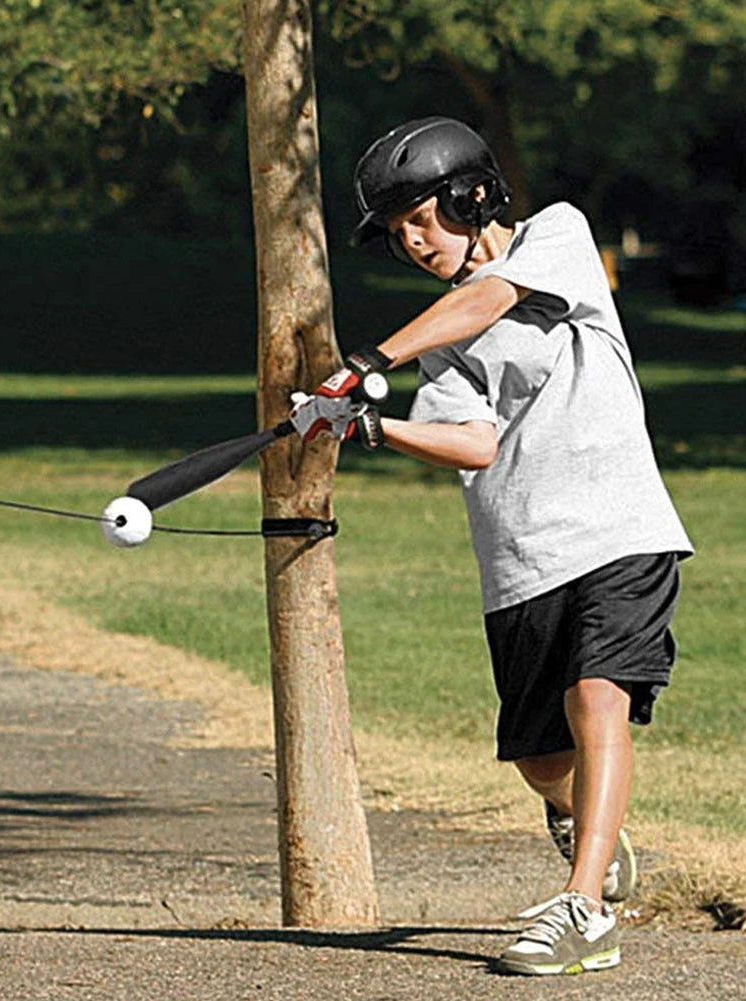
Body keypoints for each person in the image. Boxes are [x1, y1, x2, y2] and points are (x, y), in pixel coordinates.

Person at [292, 116, 694, 976]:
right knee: (544, 757)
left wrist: (372, 355)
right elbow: (474, 442)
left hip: (619, 530)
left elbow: (490, 298)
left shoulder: (556, 238)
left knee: (597, 698)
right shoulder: (445, 349)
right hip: (520, 559)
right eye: (398, 231)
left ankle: (583, 908)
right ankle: (583, 817)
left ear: (474, 195)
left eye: (423, 216)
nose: (412, 239)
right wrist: (369, 422)